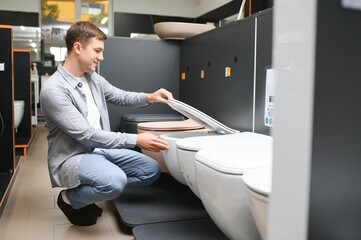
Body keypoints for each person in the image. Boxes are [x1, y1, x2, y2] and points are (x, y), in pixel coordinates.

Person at [40, 21, 173, 226]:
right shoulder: (54, 90)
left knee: (151, 170)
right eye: (97, 50)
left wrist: (150, 97)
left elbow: (121, 97)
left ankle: (94, 189)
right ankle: (69, 199)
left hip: (100, 149)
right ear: (77, 47)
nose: (101, 57)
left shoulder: (93, 79)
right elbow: (86, 135)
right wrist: (136, 139)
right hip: (74, 156)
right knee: (115, 181)